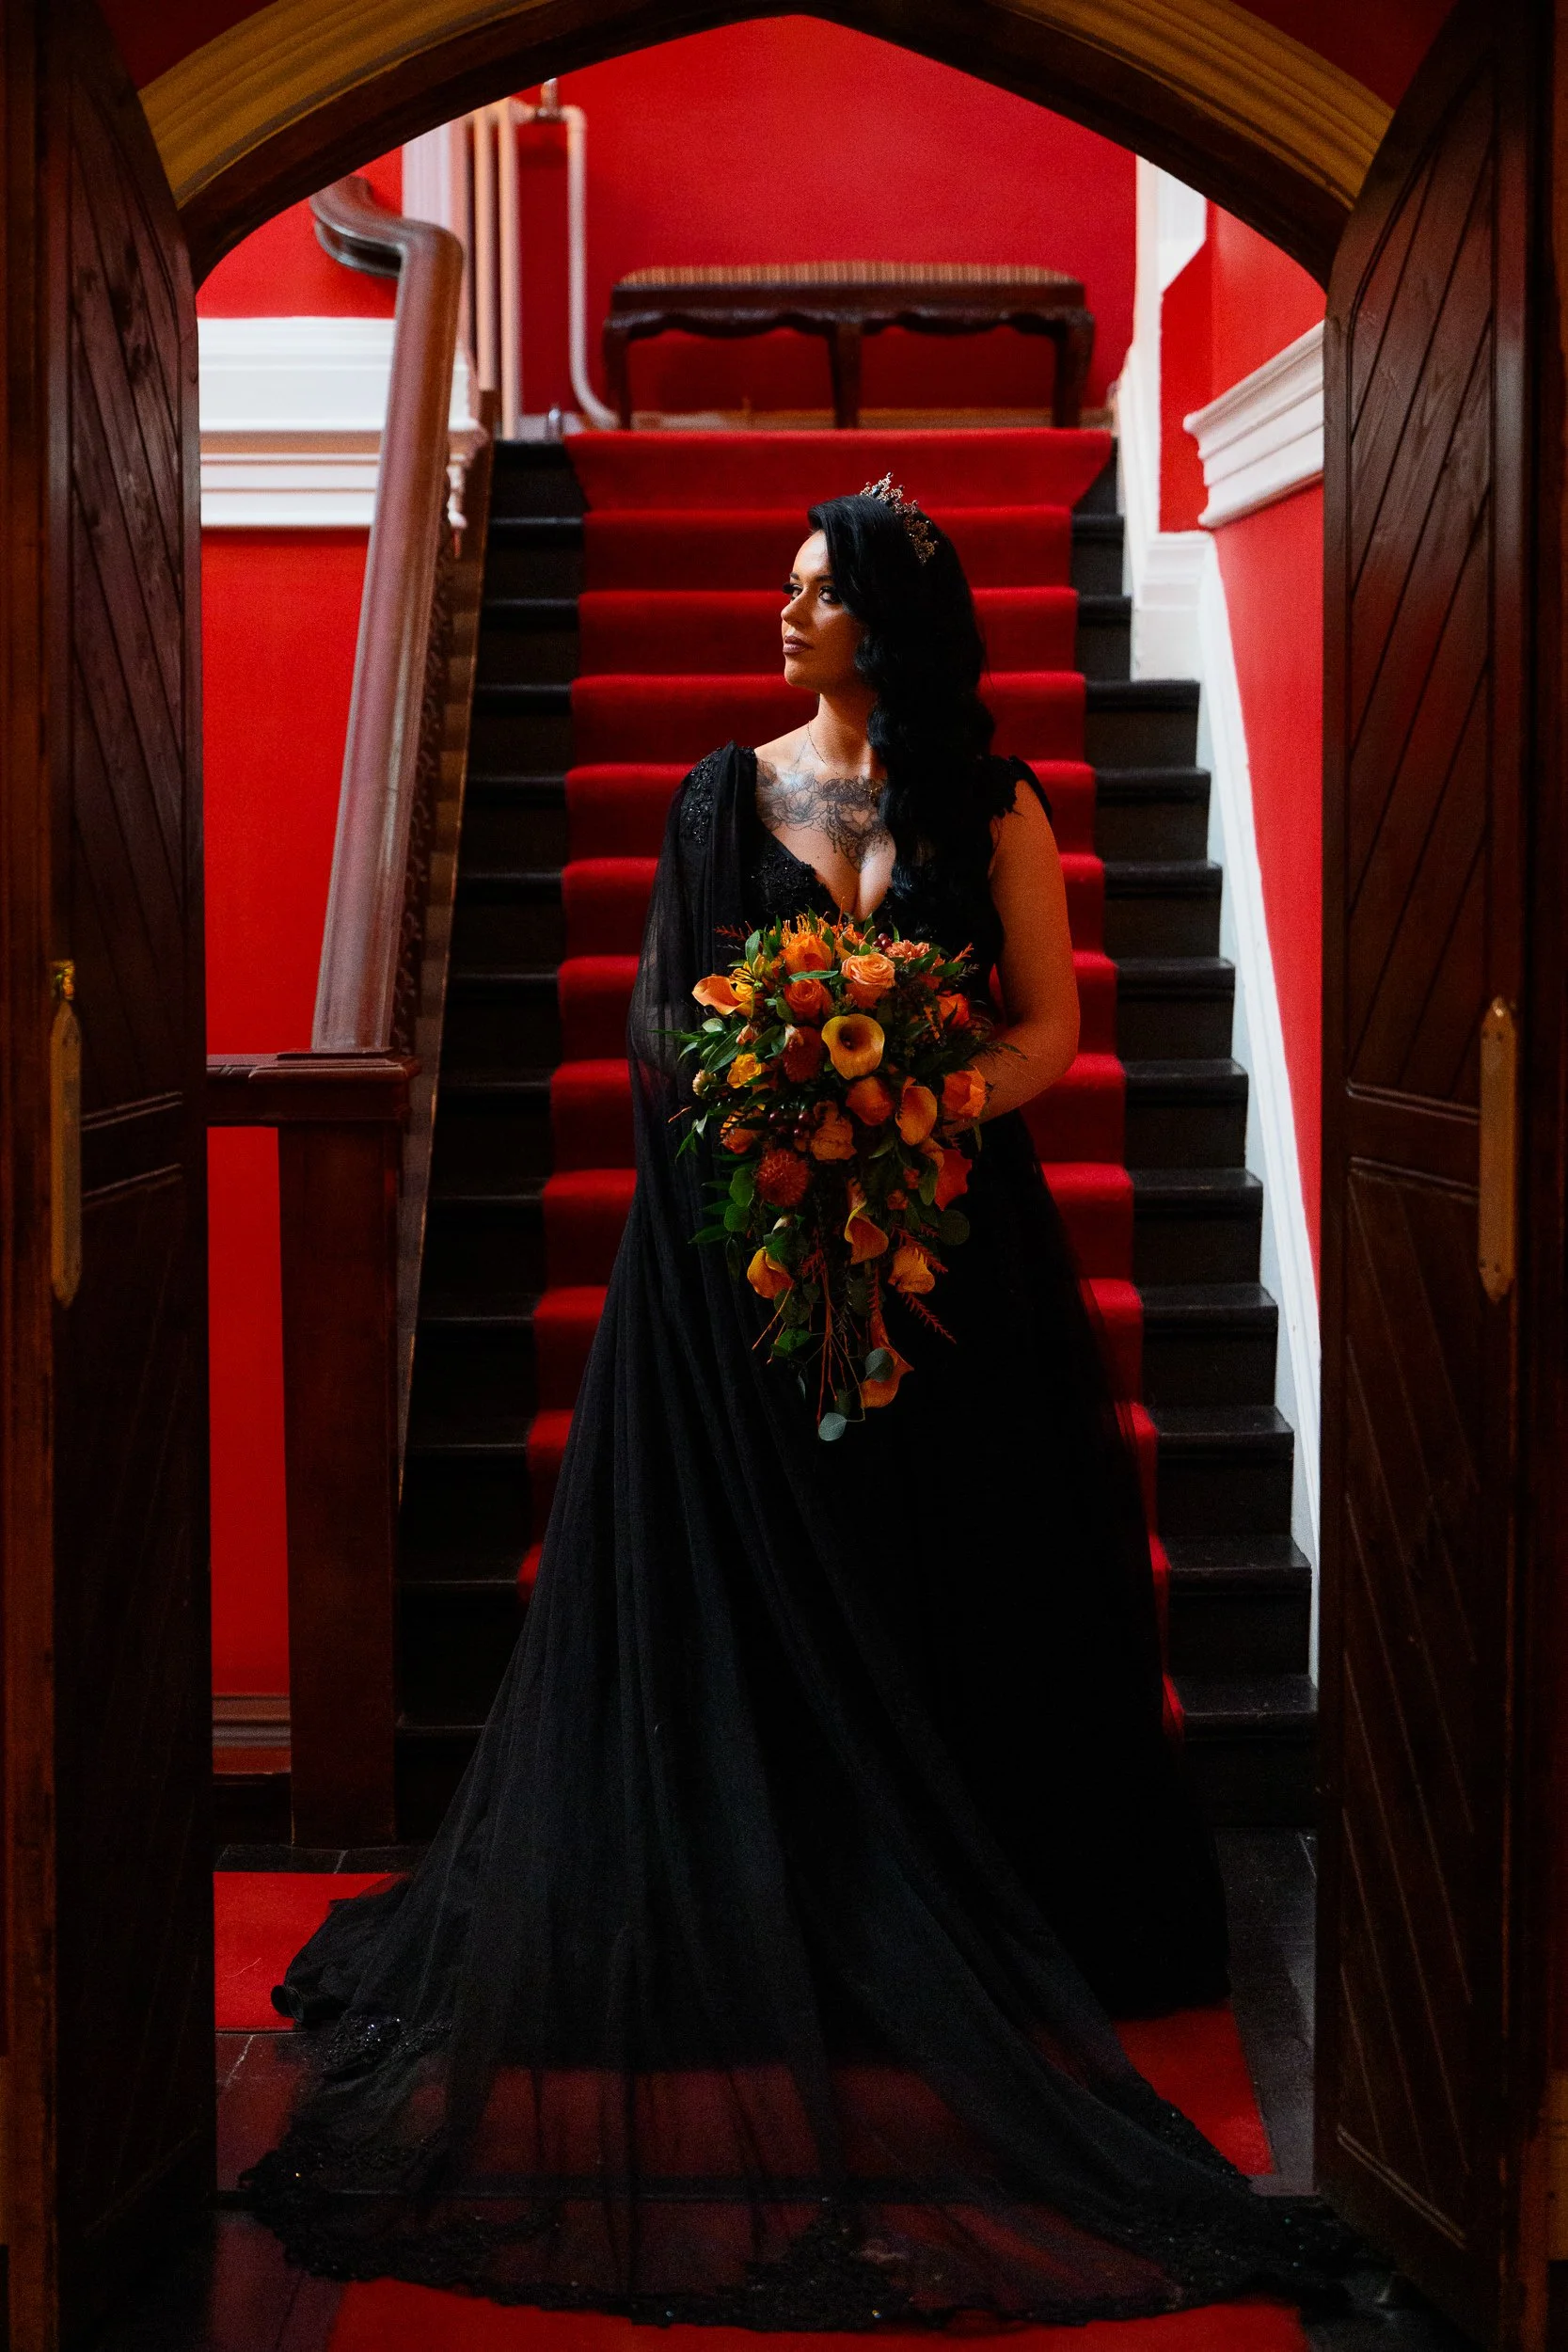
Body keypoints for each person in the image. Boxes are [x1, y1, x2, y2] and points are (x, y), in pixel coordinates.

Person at [246, 479, 1341, 2323]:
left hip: (950, 1257)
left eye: (815, 590)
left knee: (951, 1563)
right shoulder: (714, 799)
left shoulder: (992, 805)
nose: (782, 610)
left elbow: (1046, 1030)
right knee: (772, 1572)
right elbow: (660, 1026)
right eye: (780, 582)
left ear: (887, 625)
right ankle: (772, 1901)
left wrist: (912, 1110)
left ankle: (952, 1903)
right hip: (742, 1257)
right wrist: (777, 1133)